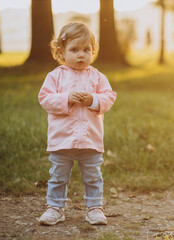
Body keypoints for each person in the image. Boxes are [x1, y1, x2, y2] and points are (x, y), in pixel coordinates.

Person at [37, 22, 117, 225]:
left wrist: (94, 100)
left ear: (93, 51)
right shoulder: (54, 77)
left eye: (86, 49)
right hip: (61, 139)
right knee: (58, 176)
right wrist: (66, 99)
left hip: (90, 138)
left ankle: (94, 208)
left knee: (93, 176)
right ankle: (55, 207)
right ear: (61, 52)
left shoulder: (98, 77)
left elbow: (109, 97)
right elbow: (45, 99)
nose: (81, 54)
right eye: (74, 50)